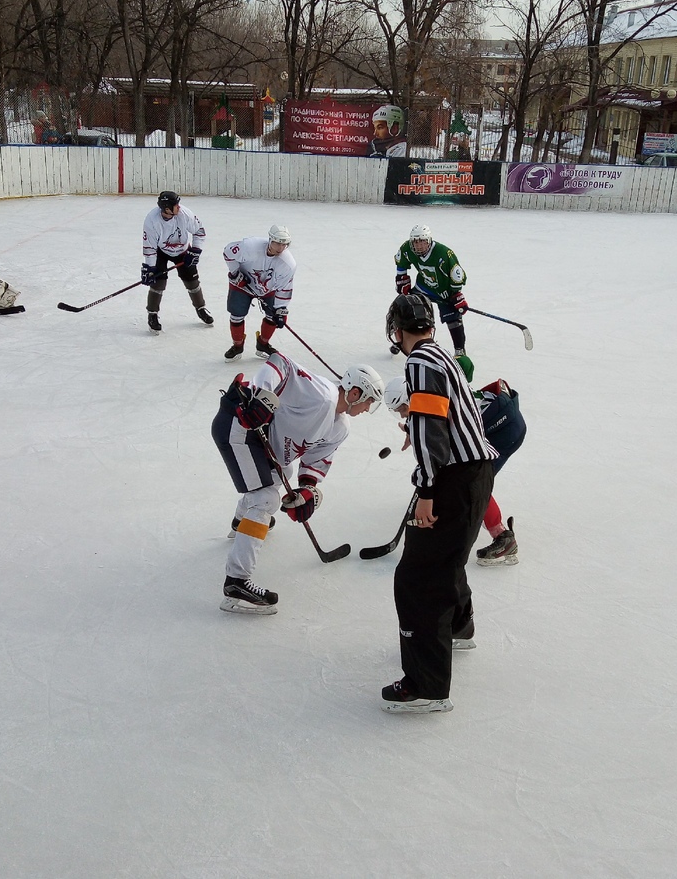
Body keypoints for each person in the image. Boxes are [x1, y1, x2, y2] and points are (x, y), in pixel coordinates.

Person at [381, 293, 496, 714]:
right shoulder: (442, 356)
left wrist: (427, 490)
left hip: (452, 480)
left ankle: (426, 686)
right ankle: (459, 627)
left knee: (417, 579)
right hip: (475, 475)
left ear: (397, 330)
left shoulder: (420, 363)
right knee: (444, 563)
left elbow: (432, 429)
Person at [211, 353, 385, 615]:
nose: (366, 410)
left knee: (285, 471)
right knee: (266, 499)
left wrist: (307, 491)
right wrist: (261, 396)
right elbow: (280, 364)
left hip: (261, 440)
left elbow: (315, 462)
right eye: (368, 402)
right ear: (355, 392)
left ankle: (242, 522)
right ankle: (236, 582)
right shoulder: (322, 395)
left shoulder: (340, 427)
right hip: (239, 425)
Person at [386, 375, 527, 567]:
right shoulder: (429, 392)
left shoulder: (442, 411)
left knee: (475, 481)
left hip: (503, 432)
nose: (402, 415)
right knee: (463, 476)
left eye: (403, 408)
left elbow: (441, 441)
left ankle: (503, 538)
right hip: (496, 423)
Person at [221, 224, 296, 361]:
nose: (281, 248)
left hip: (268, 290)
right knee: (237, 315)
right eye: (278, 243)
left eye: (284, 244)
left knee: (273, 316)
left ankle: (263, 344)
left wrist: (281, 309)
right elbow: (228, 252)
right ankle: (237, 346)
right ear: (270, 239)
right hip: (241, 285)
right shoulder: (250, 247)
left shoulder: (288, 264)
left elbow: (285, 288)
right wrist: (235, 272)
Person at [393, 224, 470, 356]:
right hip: (423, 287)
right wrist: (402, 277)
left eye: (422, 242)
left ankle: (460, 350)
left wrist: (456, 294)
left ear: (429, 241)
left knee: (452, 318)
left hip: (444, 292)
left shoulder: (444, 254)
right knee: (409, 309)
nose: (419, 246)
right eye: (416, 242)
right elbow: (401, 261)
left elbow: (457, 276)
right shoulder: (407, 248)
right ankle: (402, 341)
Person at [141, 190, 212, 333]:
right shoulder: (151, 221)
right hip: (161, 251)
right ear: (167, 208)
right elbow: (149, 247)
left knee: (192, 281)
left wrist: (195, 250)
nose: (179, 207)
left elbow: (200, 231)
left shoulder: (184, 214)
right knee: (158, 282)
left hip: (183, 250)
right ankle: (152, 314)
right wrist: (150, 268)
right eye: (175, 205)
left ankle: (201, 308)